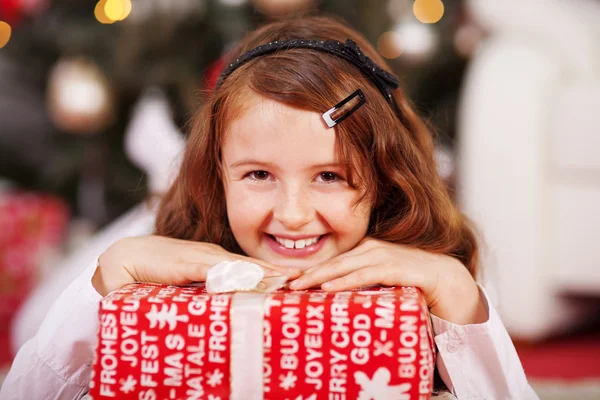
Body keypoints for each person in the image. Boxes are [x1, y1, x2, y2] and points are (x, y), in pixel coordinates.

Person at [0, 15, 539, 400]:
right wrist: (107, 283)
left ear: (383, 180)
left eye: (330, 176)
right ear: (217, 175)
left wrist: (457, 295)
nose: (294, 213)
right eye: (259, 174)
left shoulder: (426, 271)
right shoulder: (172, 254)